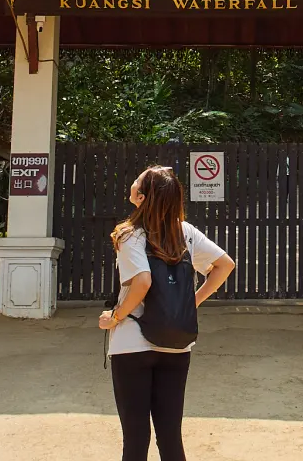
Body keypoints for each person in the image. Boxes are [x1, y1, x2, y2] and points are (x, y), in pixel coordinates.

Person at [99, 166, 235, 461]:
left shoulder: (129, 234)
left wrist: (116, 316)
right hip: (177, 342)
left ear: (141, 195)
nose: (132, 182)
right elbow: (225, 265)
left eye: (136, 180)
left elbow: (142, 281)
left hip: (132, 344)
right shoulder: (185, 232)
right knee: (170, 436)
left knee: (135, 437)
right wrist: (192, 303)